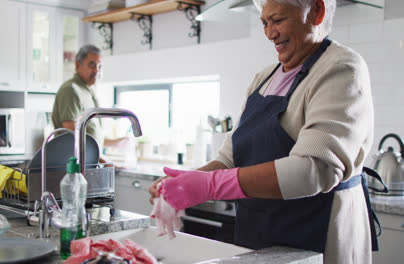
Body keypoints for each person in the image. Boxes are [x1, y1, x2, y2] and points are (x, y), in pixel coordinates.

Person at [148, 0, 385, 263]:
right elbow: (229, 159)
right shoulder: (262, 79)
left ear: (316, 11)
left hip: (318, 237)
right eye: (265, 22)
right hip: (259, 234)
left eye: (279, 20)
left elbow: (313, 169)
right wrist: (183, 182)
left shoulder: (341, 69)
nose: (270, 33)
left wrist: (210, 186)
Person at [52, 44, 128, 164]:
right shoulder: (71, 90)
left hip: (87, 163)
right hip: (74, 166)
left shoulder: (88, 91)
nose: (96, 70)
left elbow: (90, 135)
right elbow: (73, 135)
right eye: (92, 64)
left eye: (100, 66)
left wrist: (115, 143)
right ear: (78, 65)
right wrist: (103, 160)